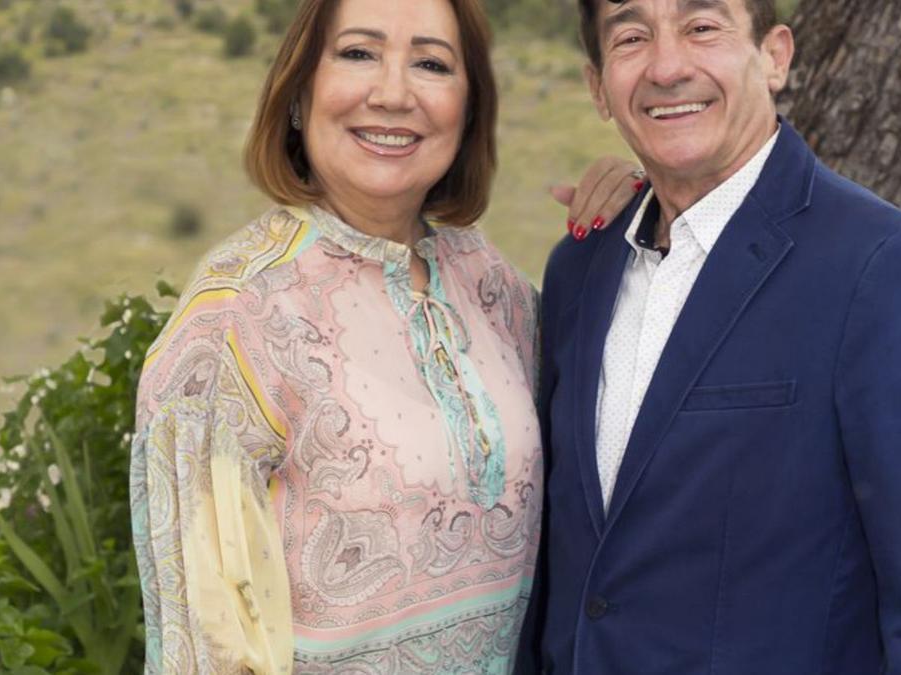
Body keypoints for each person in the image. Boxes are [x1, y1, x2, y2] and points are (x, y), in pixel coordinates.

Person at [129, 0, 635, 672]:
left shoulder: (491, 287)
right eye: (359, 53)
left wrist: (646, 213)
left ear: (468, 110)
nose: (394, 94)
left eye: (431, 63)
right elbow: (207, 646)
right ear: (299, 95)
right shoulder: (235, 319)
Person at [529, 0, 901, 673]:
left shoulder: (885, 268)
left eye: (703, 27)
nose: (668, 66)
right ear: (599, 86)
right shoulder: (580, 269)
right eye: (633, 37)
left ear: (775, 56)